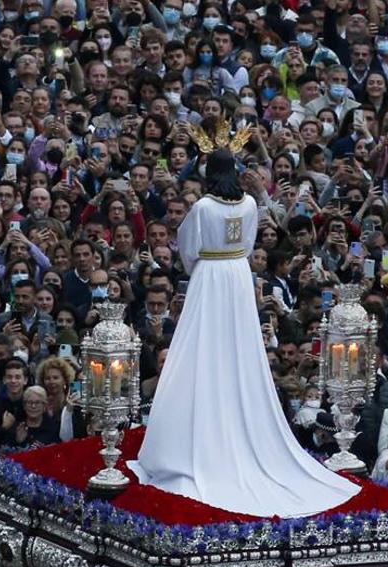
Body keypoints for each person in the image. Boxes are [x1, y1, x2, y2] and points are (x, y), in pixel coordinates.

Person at [129, 147, 359, 518]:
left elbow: (189, 250)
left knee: (203, 348)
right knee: (236, 348)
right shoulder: (250, 203)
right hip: (237, 275)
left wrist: (205, 265)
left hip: (211, 275)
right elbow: (249, 244)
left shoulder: (203, 206)